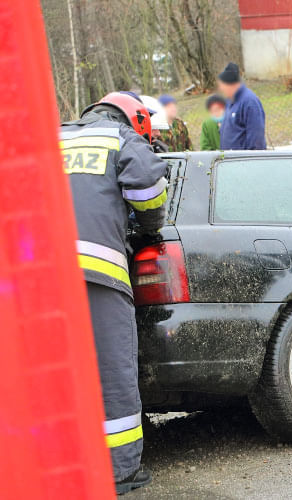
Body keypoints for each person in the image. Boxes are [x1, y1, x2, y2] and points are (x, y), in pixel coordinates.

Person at [60, 92, 168, 495]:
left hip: (37, 279)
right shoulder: (120, 137)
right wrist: (148, 227)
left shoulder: (50, 139)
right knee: (112, 375)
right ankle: (119, 472)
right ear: (136, 119)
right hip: (96, 274)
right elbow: (149, 191)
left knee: (54, 374)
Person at [217, 62, 266, 150]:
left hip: (243, 162)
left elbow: (256, 141)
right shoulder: (229, 101)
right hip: (229, 161)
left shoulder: (250, 102)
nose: (221, 89)